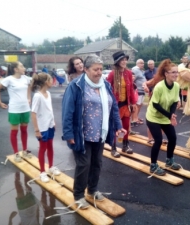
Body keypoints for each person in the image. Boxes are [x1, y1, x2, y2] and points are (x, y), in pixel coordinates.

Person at [62, 54, 124, 208]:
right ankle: (78, 195)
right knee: (84, 165)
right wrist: (68, 134)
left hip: (100, 133)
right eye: (95, 69)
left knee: (97, 163)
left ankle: (92, 189)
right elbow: (67, 111)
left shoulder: (105, 85)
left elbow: (113, 106)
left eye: (101, 69)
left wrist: (118, 125)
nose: (99, 72)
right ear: (86, 69)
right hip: (81, 134)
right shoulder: (76, 86)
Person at [146, 59, 181, 176]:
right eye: (173, 72)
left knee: (173, 138)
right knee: (158, 141)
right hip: (153, 117)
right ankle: (153, 166)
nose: (176, 74)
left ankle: (169, 161)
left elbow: (175, 101)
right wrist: (170, 115)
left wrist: (171, 115)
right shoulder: (159, 87)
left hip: (165, 117)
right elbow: (155, 104)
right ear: (166, 74)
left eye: (177, 72)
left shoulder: (176, 86)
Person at [0, 61, 32, 162]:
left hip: (25, 108)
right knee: (14, 132)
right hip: (14, 109)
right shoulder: (9, 79)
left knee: (24, 130)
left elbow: (29, 86)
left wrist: (29, 97)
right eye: (22, 66)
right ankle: (16, 153)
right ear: (16, 69)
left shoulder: (25, 78)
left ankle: (24, 150)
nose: (24, 68)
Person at [31, 72, 61, 182]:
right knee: (42, 149)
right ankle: (42, 172)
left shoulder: (48, 94)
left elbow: (49, 110)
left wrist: (53, 122)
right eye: (50, 79)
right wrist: (36, 130)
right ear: (45, 82)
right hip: (42, 127)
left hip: (50, 125)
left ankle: (51, 167)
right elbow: (33, 113)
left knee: (50, 147)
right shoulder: (37, 96)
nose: (52, 81)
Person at [106, 51, 137, 157]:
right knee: (115, 127)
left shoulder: (128, 73)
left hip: (126, 104)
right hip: (115, 106)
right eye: (122, 60)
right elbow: (107, 89)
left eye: (125, 60)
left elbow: (131, 89)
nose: (124, 62)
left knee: (125, 126)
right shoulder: (112, 74)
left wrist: (133, 102)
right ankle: (113, 148)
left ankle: (125, 145)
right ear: (117, 62)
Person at [131, 59, 146, 126]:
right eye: (141, 63)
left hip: (142, 90)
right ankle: (134, 119)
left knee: (140, 105)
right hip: (138, 90)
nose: (142, 64)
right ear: (137, 63)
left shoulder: (140, 70)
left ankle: (136, 117)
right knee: (137, 105)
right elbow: (133, 79)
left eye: (143, 63)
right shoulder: (135, 70)